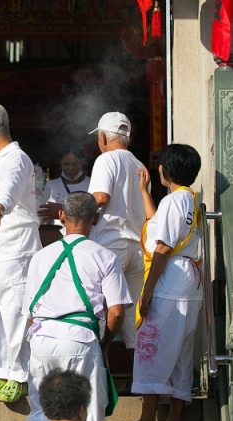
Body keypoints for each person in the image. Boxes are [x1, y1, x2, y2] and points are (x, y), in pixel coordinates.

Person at [24, 191, 132, 421]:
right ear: (95, 218)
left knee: (42, 413)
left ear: (61, 215)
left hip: (41, 341)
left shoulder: (40, 257)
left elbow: (30, 314)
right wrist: (104, 345)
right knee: (88, 413)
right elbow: (116, 312)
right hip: (81, 341)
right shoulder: (105, 257)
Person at [0, 104, 42, 403]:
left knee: (14, 312)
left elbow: (8, 193)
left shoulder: (17, 159)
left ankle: (20, 375)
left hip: (14, 248)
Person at [130, 144, 203, 421]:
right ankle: (174, 418)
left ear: (165, 169)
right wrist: (144, 192)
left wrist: (147, 292)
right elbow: (158, 223)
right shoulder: (189, 199)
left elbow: (162, 247)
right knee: (181, 354)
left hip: (169, 283)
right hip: (187, 282)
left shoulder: (173, 201)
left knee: (154, 348)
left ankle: (147, 419)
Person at [87, 112, 146, 386]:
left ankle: (100, 376)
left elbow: (100, 197)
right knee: (135, 322)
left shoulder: (106, 159)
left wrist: (72, 209)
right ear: (128, 136)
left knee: (99, 314)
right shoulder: (139, 164)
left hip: (109, 246)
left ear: (102, 137)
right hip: (136, 248)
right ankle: (141, 384)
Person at [39, 149, 91, 234]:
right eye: (66, 164)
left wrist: (62, 209)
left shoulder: (91, 183)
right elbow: (45, 214)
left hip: (86, 234)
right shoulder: (51, 185)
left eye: (74, 164)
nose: (70, 168)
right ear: (60, 164)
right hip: (58, 235)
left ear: (81, 164)